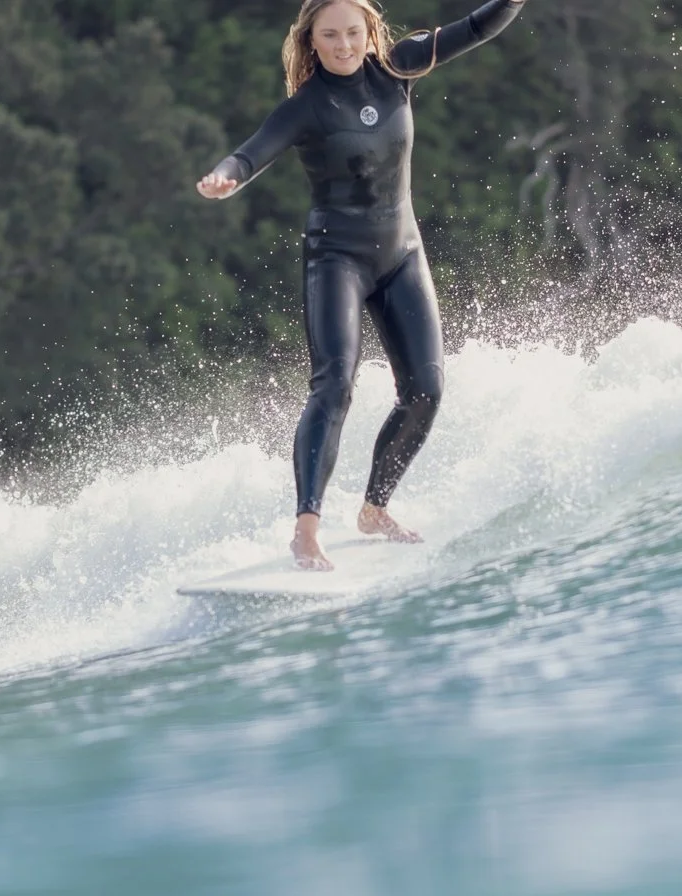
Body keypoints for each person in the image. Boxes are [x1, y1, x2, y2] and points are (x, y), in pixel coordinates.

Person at [196, 0, 527, 570]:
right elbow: (253, 151)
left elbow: (478, 27)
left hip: (402, 253)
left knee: (426, 390)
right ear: (312, 41)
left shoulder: (399, 67)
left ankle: (375, 509)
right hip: (337, 259)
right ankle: (306, 530)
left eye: (353, 32)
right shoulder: (306, 108)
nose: (344, 45)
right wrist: (227, 175)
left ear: (370, 32)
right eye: (331, 35)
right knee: (334, 386)